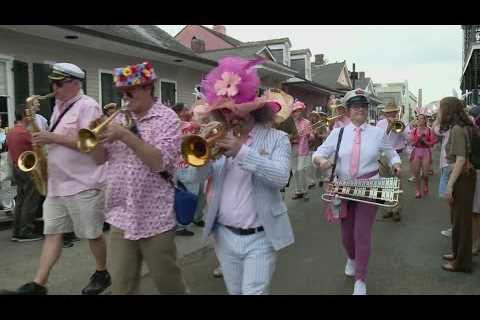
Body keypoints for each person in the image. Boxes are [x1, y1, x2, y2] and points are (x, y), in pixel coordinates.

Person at [187, 57, 294, 295]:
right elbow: (196, 180)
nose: (231, 117)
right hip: (224, 236)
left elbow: (280, 177)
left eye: (238, 112)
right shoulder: (218, 138)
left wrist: (241, 151)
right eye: (225, 112)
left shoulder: (277, 139)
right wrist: (203, 159)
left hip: (261, 237)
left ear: (256, 112)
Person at [12, 63, 110, 295]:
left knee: (92, 233)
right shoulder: (58, 107)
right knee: (52, 232)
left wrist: (52, 137)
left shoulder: (88, 107)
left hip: (83, 183)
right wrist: (42, 142)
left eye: (58, 84)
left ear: (75, 84)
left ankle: (101, 272)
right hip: (58, 183)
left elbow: (91, 145)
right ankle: (39, 283)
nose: (53, 88)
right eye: (52, 83)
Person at [90, 62, 186, 294]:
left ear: (148, 87)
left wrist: (125, 135)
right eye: (121, 93)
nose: (125, 98)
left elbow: (159, 162)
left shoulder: (168, 119)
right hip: (121, 215)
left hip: (155, 217)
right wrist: (92, 142)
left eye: (130, 92)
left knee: (168, 282)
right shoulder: (117, 119)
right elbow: (99, 160)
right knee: (122, 286)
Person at [313, 89, 401, 295]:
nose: (360, 109)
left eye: (363, 106)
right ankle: (351, 258)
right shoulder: (338, 133)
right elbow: (318, 153)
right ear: (348, 110)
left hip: (370, 186)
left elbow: (391, 153)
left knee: (362, 234)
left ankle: (360, 279)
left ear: (367, 109)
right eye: (355, 106)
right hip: (343, 187)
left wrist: (396, 164)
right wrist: (321, 161)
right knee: (346, 235)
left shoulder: (377, 133)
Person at [440, 97, 476, 273]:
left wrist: (449, 186)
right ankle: (457, 254)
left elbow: (461, 160)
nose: (440, 113)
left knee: (461, 221)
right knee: (458, 219)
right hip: (464, 175)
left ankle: (462, 262)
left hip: (462, 177)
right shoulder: (465, 126)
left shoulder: (457, 129)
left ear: (448, 110)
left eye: (442, 109)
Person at [6, 107, 44, 242]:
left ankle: (16, 232)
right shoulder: (24, 132)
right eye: (31, 115)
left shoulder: (11, 132)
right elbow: (40, 146)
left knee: (21, 200)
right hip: (28, 169)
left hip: (17, 168)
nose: (32, 118)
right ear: (24, 116)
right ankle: (26, 231)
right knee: (30, 200)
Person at [376, 102, 410, 221]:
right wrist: (388, 128)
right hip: (383, 156)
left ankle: (396, 210)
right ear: (385, 113)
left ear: (396, 112)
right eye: (389, 112)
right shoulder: (380, 124)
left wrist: (401, 130)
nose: (391, 114)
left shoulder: (403, 122)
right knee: (384, 183)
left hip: (397, 155)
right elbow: (377, 140)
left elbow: (409, 139)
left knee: (396, 184)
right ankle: (388, 209)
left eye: (393, 112)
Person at [172, 102, 200, 236]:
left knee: (183, 194)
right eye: (186, 109)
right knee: (189, 195)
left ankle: (184, 222)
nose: (189, 111)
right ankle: (183, 225)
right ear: (180, 113)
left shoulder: (187, 124)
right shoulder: (180, 124)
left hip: (185, 164)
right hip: (185, 164)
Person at [433, 115, 453, 238]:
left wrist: (439, 117)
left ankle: (455, 227)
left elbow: (435, 129)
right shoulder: (457, 125)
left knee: (451, 199)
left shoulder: (448, 126)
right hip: (449, 164)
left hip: (448, 164)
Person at [290, 101, 315, 200]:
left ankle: (305, 191)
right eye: (296, 111)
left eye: (300, 111)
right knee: (295, 171)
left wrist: (310, 136)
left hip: (303, 148)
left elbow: (312, 136)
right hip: (292, 148)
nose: (298, 113)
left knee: (301, 170)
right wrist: (292, 137)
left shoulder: (306, 122)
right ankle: (298, 190)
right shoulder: (289, 123)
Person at [410, 113, 437, 198]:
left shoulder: (429, 130)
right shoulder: (414, 130)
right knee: (416, 173)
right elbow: (412, 143)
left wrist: (425, 141)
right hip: (417, 151)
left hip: (426, 152)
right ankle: (417, 191)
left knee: (425, 174)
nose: (420, 120)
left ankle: (426, 184)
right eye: (419, 118)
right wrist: (418, 139)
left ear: (425, 120)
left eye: (422, 118)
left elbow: (432, 143)